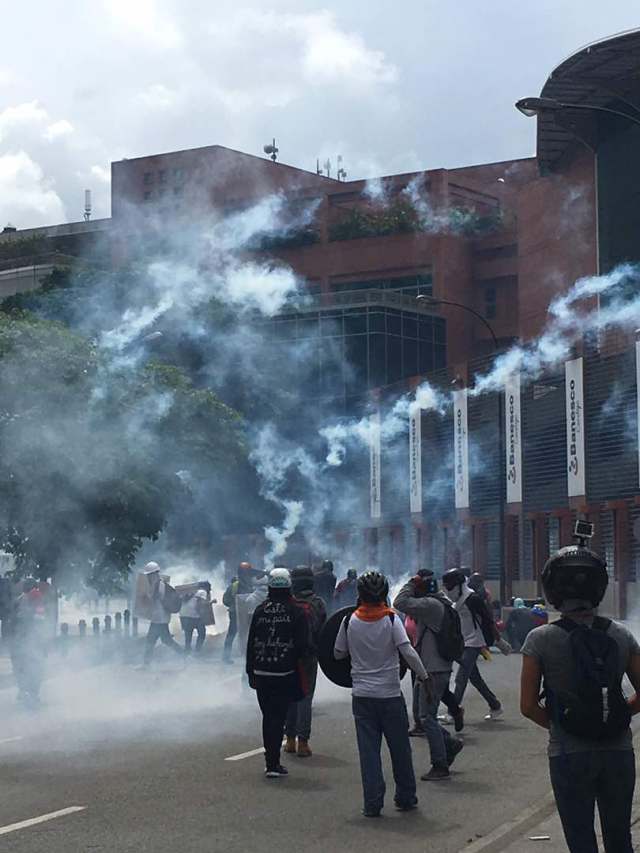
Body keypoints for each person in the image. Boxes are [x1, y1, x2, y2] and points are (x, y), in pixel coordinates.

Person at [520, 541, 640, 853]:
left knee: (581, 841)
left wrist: (564, 725)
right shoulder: (621, 635)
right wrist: (616, 716)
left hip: (568, 754)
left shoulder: (540, 639)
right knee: (619, 839)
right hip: (618, 751)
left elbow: (528, 706)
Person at [334, 570, 431, 817]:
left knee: (369, 754)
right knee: (400, 749)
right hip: (389, 695)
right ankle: (406, 797)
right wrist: (424, 676)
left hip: (362, 697)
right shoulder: (391, 620)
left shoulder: (349, 621)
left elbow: (337, 653)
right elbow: (407, 651)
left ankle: (372, 804)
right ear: (384, 594)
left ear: (360, 595)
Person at [394, 573, 464, 781]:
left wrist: (410, 583)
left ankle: (440, 765)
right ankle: (450, 744)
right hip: (435, 667)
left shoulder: (430, 605)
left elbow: (400, 602)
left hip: (433, 670)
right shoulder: (441, 602)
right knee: (427, 716)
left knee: (427, 718)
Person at [246, 568, 310, 778]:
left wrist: (250, 672)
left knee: (268, 718)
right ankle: (273, 764)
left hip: (261, 672)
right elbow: (303, 645)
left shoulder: (260, 610)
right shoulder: (297, 611)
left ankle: (271, 762)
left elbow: (250, 644)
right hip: (284, 673)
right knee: (278, 717)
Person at [442, 568, 503, 720]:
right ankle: (495, 705)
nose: (449, 591)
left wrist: (498, 640)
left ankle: (453, 712)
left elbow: (488, 619)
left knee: (460, 678)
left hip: (474, 642)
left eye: (450, 587)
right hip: (464, 642)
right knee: (475, 679)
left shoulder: (473, 599)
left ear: (460, 585)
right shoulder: (457, 602)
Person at [285, 566, 327, 758]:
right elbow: (324, 631)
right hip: (309, 657)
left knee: (290, 698)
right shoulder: (318, 603)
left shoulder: (287, 602)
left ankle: (290, 740)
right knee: (305, 698)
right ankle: (303, 742)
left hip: (288, 656)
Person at [9, 579, 48, 708]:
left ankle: (24, 690)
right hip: (31, 639)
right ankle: (32, 692)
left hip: (19, 639)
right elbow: (41, 620)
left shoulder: (18, 601)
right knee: (36, 665)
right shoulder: (37, 598)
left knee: (20, 665)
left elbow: (12, 622)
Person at [143, 563, 184, 666]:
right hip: (159, 618)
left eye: (149, 575)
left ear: (154, 574)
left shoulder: (159, 586)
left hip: (160, 619)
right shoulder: (158, 585)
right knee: (166, 640)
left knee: (151, 641)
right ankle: (185, 655)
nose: (148, 577)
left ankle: (146, 664)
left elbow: (154, 599)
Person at [222, 561, 253, 664]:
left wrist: (232, 605)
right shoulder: (251, 584)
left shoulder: (235, 585)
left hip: (237, 612)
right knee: (247, 634)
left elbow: (225, 600)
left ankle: (226, 657)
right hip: (245, 613)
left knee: (232, 634)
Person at [180, 582, 211, 654]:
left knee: (188, 634)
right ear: (206, 587)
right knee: (202, 633)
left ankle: (187, 651)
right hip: (195, 616)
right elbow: (201, 604)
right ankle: (197, 651)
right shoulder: (203, 592)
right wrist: (211, 602)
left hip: (184, 615)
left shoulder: (192, 592)